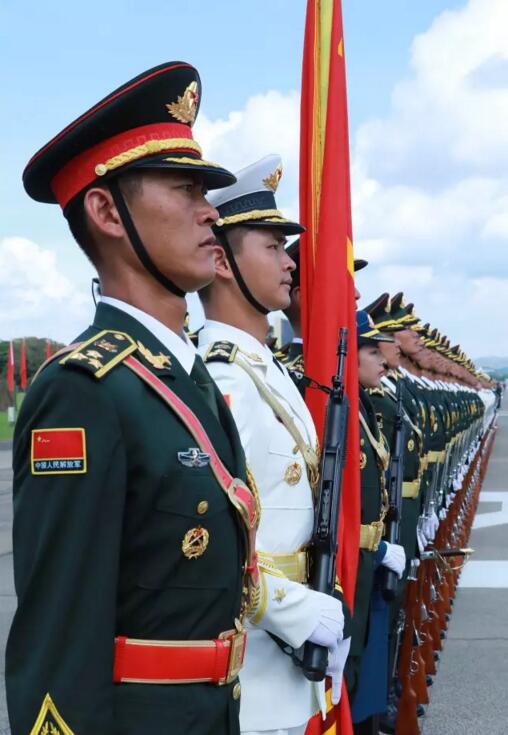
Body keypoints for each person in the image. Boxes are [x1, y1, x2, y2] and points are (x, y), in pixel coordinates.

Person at [6, 62, 260, 735]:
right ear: (106, 211)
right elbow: (58, 642)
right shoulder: (84, 392)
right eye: (185, 189)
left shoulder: (186, 377)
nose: (211, 211)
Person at [197, 155, 350, 735]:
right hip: (254, 673)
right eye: (272, 246)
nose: (290, 263)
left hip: (292, 666)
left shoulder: (267, 370)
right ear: (224, 263)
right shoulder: (225, 379)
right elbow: (215, 540)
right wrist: (296, 612)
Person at [345, 311, 406, 734]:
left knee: (365, 657)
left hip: (369, 552)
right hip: (353, 558)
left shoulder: (365, 401)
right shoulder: (347, 401)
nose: (385, 359)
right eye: (374, 351)